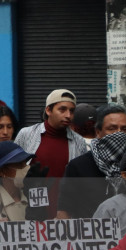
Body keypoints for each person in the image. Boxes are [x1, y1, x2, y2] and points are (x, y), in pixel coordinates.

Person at [14, 89, 87, 219]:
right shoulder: (26, 134)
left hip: (65, 211)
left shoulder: (79, 141)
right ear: (48, 110)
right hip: (30, 210)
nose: (68, 115)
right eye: (62, 109)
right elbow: (13, 170)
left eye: (71, 111)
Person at [57, 104, 126, 219]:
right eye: (112, 128)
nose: (119, 133)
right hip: (92, 234)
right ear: (98, 132)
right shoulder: (78, 166)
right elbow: (64, 209)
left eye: (124, 129)